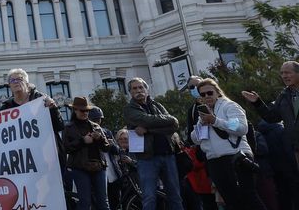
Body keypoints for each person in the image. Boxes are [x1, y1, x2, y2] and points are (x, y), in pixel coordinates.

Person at [191, 78, 265, 210]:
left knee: (249, 197)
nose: (207, 96)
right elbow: (196, 139)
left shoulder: (229, 106)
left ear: (217, 92)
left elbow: (241, 127)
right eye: (203, 94)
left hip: (236, 157)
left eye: (210, 93)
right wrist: (201, 123)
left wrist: (216, 121)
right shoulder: (203, 113)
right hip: (214, 161)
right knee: (231, 201)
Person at [243, 60, 299, 210]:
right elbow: (272, 117)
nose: (284, 76)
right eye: (282, 73)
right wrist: (257, 103)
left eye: (288, 72)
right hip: (295, 148)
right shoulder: (284, 95)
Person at [123, 77, 184, 210]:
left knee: (175, 195)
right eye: (134, 88)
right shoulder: (129, 109)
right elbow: (145, 119)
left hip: (168, 155)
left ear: (146, 89)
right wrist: (163, 122)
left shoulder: (158, 105)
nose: (138, 90)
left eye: (141, 87)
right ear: (130, 92)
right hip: (147, 159)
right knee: (149, 197)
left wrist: (148, 130)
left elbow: (174, 124)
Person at [0, 69, 66, 171]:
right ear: (9, 85)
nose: (16, 82)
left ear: (27, 83)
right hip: (21, 161)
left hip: (46, 157)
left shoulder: (42, 100)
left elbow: (59, 126)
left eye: (19, 79)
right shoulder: (6, 107)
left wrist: (53, 109)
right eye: (12, 80)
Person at [65, 97, 110, 210]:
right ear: (75, 110)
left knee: (103, 202)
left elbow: (106, 147)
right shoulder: (68, 127)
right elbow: (65, 148)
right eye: (82, 110)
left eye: (87, 110)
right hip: (79, 168)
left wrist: (100, 138)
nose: (85, 113)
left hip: (99, 166)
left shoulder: (96, 126)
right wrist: (82, 141)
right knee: (85, 202)